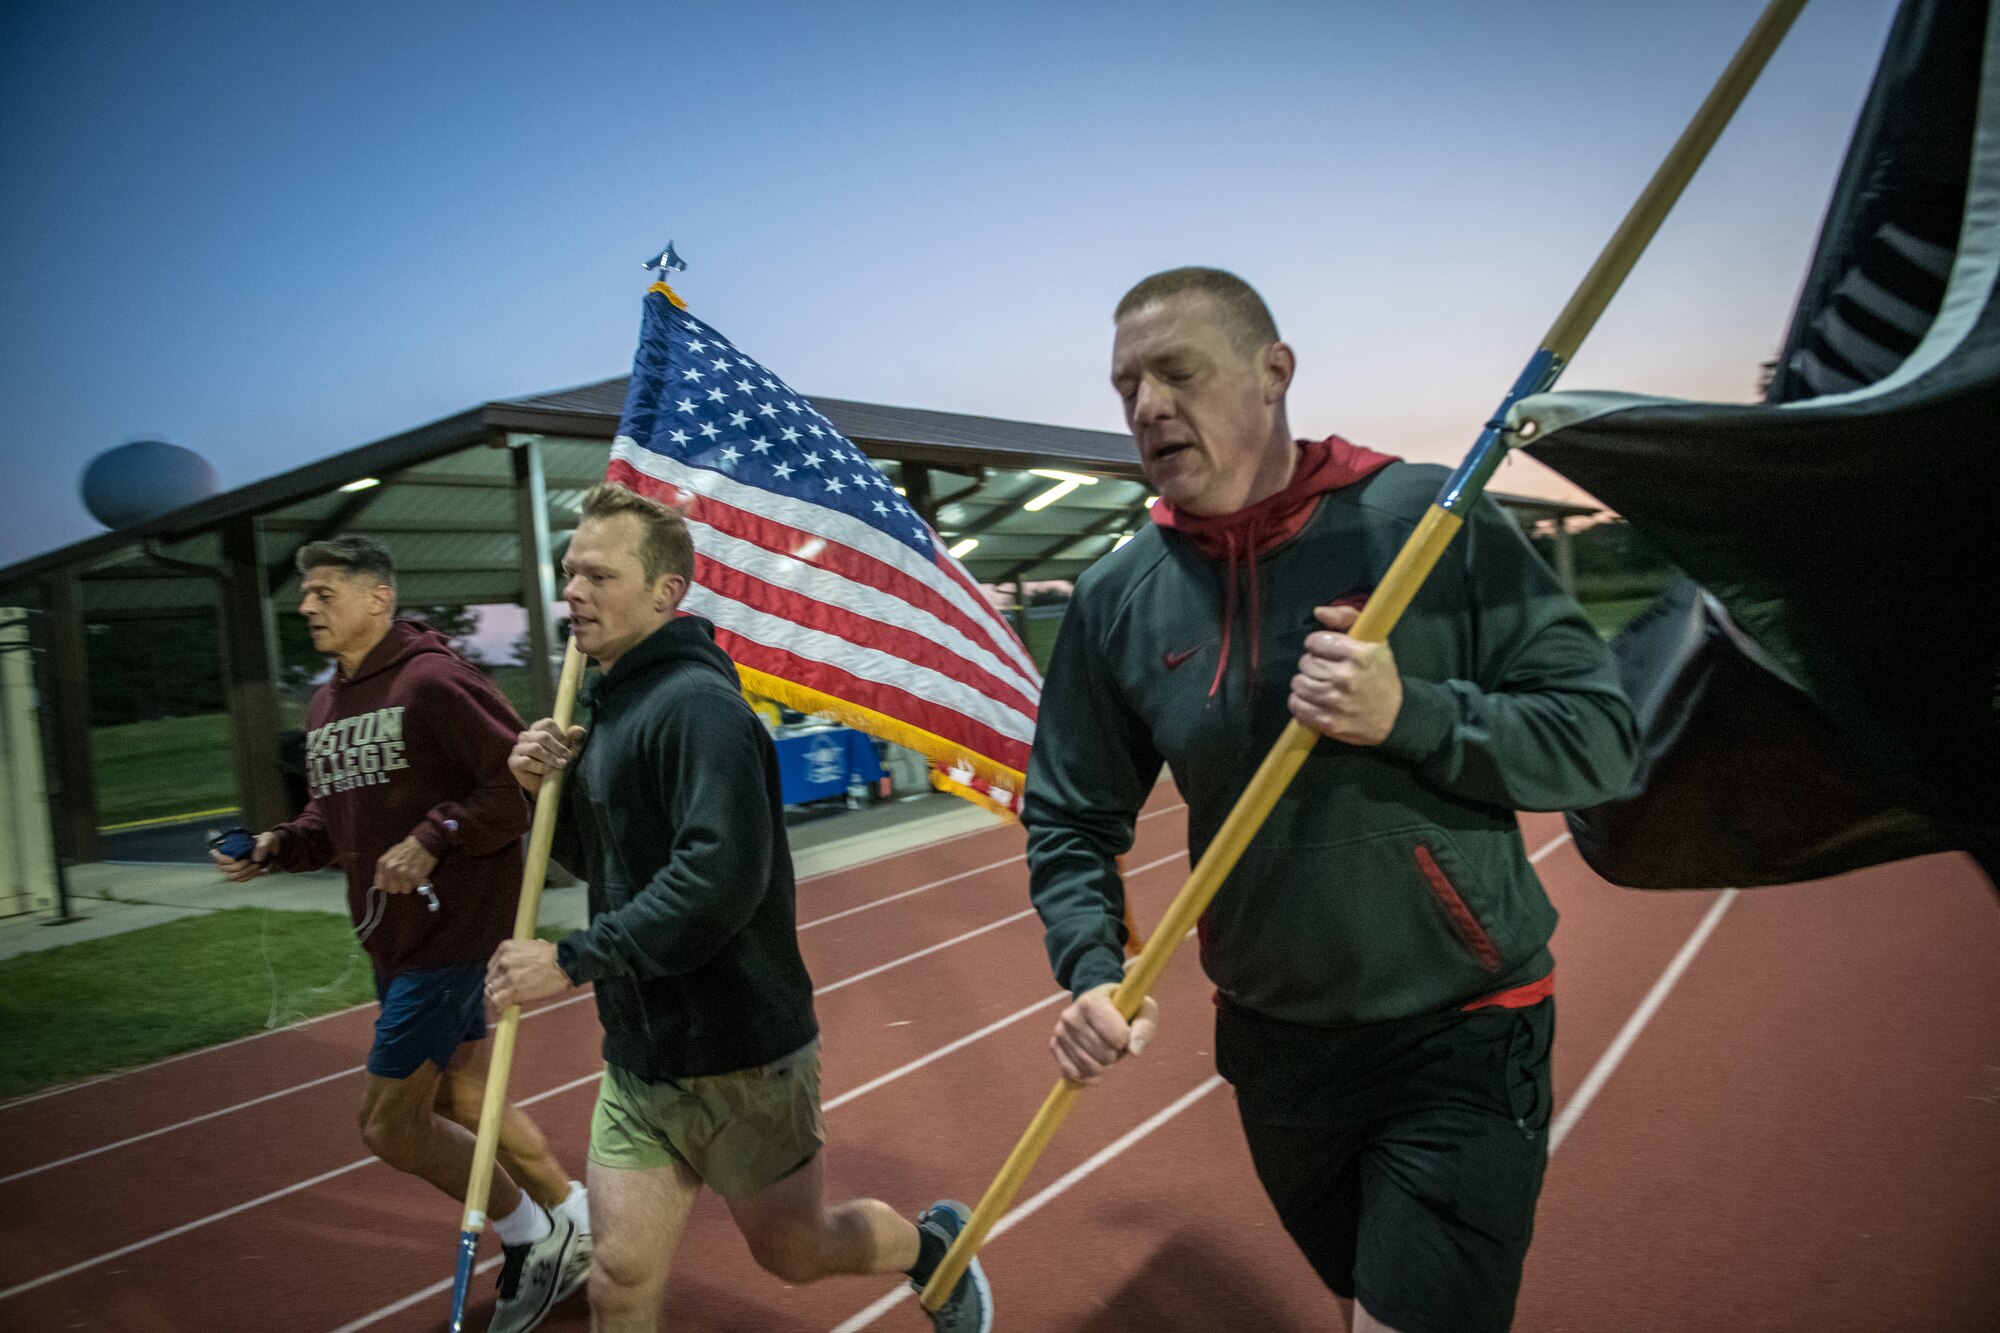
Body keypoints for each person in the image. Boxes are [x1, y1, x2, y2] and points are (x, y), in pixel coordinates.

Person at [1024, 268, 1639, 1333]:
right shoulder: (1119, 596)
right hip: (1274, 1050)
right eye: (1125, 385)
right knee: (1366, 1294)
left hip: (1459, 1030)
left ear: (1274, 373)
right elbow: (1070, 812)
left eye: (1176, 371)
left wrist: (1414, 715)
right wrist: (1088, 967)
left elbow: (1600, 739)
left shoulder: (1423, 518)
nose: (1146, 407)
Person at [487, 482, 993, 1333]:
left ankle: (930, 1245)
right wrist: (543, 791)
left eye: (597, 575)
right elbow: (597, 860)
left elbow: (714, 884)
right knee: (617, 1280)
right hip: (642, 1058)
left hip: (742, 1054)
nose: (571, 590)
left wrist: (572, 959)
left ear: (666, 592)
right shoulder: (605, 709)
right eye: (568, 571)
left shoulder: (700, 710)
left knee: (795, 1249)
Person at [210, 535, 590, 1333]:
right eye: (306, 594)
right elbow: (331, 816)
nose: (307, 605)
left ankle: (532, 1236)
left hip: (453, 932)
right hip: (393, 938)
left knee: (389, 1123)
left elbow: (515, 786)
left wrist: (434, 831)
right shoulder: (325, 701)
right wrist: (280, 846)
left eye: (323, 591)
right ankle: (576, 1215)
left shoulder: (435, 680)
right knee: (461, 1094)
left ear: (377, 596)